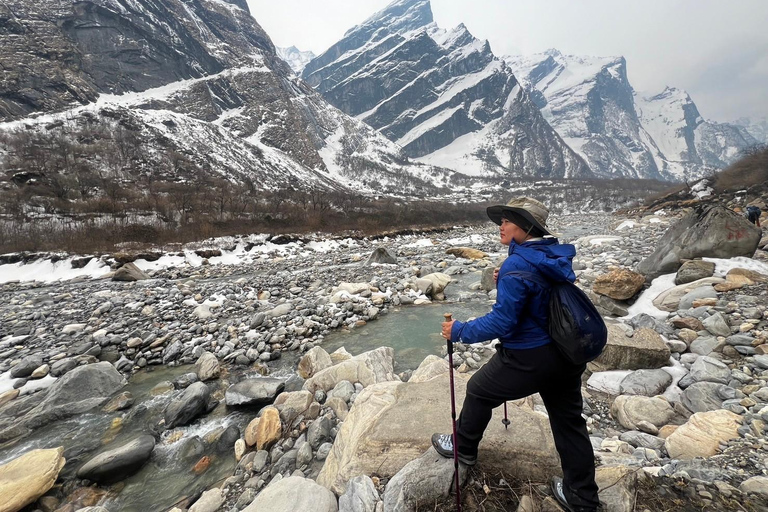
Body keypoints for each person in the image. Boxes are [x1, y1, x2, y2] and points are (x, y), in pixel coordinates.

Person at [431, 197, 600, 512]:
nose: (501, 225)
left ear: (526, 226)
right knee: (568, 422)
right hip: (565, 352)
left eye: (507, 220)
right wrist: (509, 279)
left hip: (529, 356)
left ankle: (463, 448)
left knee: (479, 390)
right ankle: (583, 496)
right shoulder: (550, 254)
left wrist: (459, 331)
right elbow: (543, 291)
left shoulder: (518, 264)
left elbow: (503, 321)